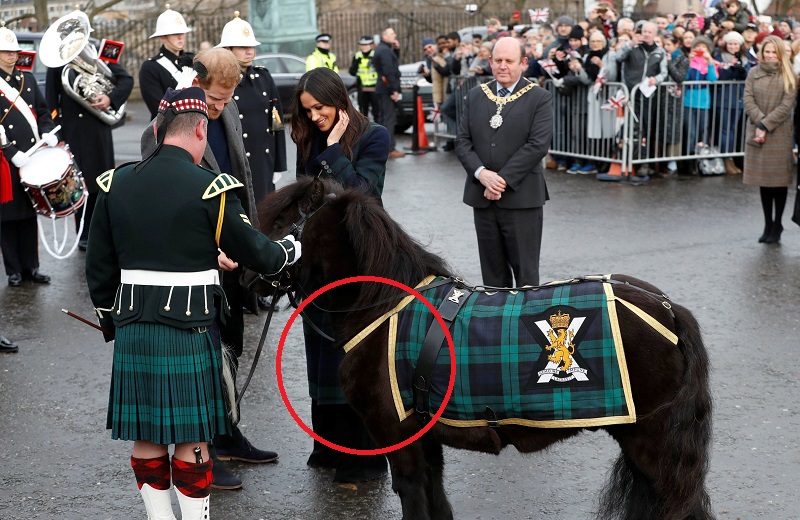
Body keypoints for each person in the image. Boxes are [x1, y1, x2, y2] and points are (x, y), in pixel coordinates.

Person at [86, 86, 301, 520]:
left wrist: (114, 322)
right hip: (190, 327)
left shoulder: (117, 183)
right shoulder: (212, 188)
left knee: (146, 435)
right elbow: (261, 254)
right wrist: (293, 249)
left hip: (134, 327)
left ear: (159, 130)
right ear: (201, 129)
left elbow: (100, 270)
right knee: (192, 435)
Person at [141, 48, 275, 491]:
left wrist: (251, 237)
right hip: (198, 264)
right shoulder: (162, 127)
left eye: (229, 98)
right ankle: (206, 451)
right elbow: (164, 206)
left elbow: (242, 176)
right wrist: (208, 249)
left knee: (232, 344)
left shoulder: (229, 108)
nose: (221, 107)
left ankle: (228, 432)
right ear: (196, 82)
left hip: (235, 253)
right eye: (216, 99)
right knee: (206, 358)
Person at [290, 66, 391, 482]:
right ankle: (329, 444)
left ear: (338, 98)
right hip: (319, 254)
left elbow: (367, 195)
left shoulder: (375, 135)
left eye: (319, 108)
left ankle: (364, 457)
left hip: (357, 258)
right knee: (319, 349)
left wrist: (333, 149)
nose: (314, 117)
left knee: (351, 352)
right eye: (307, 110)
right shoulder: (307, 135)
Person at [455, 37, 553, 287]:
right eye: (497, 60)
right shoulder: (476, 95)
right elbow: (463, 141)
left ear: (523, 63)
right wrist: (481, 174)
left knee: (526, 277)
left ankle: (525, 324)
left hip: (522, 199)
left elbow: (537, 145)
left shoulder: (539, 98)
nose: (502, 66)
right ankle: (496, 324)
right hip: (482, 198)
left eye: (509, 61)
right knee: (492, 276)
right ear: (490, 62)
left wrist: (500, 180)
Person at [45, 10, 133, 252]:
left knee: (103, 182)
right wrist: (59, 137)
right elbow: (51, 102)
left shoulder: (102, 52)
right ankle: (83, 234)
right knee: (81, 184)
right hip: (74, 131)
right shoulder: (58, 60)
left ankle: (103, 230)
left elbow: (126, 80)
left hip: (98, 128)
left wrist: (110, 98)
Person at [0, 25, 57, 287]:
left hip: (32, 155)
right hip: (6, 159)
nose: (12, 55)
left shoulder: (28, 79)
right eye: (6, 51)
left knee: (30, 212)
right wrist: (11, 152)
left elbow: (44, 112)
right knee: (8, 215)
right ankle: (13, 269)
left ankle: (31, 267)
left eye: (14, 51)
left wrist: (48, 132)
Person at [217, 11, 287, 205]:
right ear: (228, 49)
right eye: (242, 47)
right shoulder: (222, 80)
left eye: (251, 46)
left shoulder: (264, 77)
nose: (249, 51)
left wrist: (279, 163)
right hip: (236, 162)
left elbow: (276, 122)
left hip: (264, 161)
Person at [742, 35, 797, 244]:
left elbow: (786, 105)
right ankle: (767, 223)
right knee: (763, 182)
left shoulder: (788, 74)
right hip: (757, 131)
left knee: (778, 182)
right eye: (767, 51)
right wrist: (760, 121)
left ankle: (777, 224)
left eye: (774, 52)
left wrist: (766, 124)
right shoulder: (753, 73)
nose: (770, 55)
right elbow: (748, 99)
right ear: (762, 52)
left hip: (778, 133)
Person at [139, 5, 194, 120]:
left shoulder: (194, 60)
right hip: (169, 129)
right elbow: (158, 108)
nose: (180, 37)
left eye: (182, 33)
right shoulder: (151, 67)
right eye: (174, 33)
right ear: (163, 37)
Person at [714, 31, 750, 174]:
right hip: (723, 98)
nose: (733, 46)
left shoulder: (745, 58)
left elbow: (747, 75)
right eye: (730, 43)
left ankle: (732, 158)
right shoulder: (719, 57)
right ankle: (726, 158)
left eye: (735, 44)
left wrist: (740, 69)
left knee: (734, 130)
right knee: (724, 130)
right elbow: (721, 76)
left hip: (739, 98)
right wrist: (731, 67)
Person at [372, 26, 405, 158]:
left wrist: (396, 50)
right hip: (386, 89)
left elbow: (392, 63)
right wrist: (394, 90)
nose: (395, 35)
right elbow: (389, 71)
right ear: (384, 36)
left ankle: (381, 147)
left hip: (382, 88)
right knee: (389, 120)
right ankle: (390, 148)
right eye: (392, 34)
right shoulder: (384, 51)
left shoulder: (383, 49)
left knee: (383, 118)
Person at [348, 35, 379, 119]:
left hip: (374, 87)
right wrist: (356, 64)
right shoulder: (358, 56)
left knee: (377, 110)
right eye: (362, 45)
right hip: (362, 87)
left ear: (371, 45)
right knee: (363, 111)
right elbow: (352, 72)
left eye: (366, 45)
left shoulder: (375, 55)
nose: (364, 47)